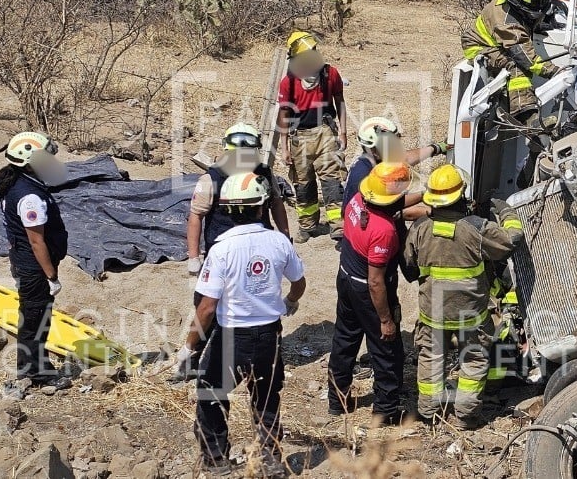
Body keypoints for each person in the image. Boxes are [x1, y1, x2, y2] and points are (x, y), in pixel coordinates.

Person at [180, 172, 306, 478]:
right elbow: (299, 282)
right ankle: (271, 459)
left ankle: (216, 461)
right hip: (270, 335)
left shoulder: (222, 249)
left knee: (210, 394)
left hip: (232, 337)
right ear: (261, 208)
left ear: (227, 210)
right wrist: (290, 301)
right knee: (266, 398)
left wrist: (189, 346)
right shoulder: (278, 242)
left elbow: (207, 308)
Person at [404, 165, 523, 428]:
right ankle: (465, 416)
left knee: (431, 358)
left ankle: (429, 413)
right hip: (470, 314)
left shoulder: (420, 227)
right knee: (473, 359)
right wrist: (505, 210)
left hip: (433, 311)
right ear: (461, 195)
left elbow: (409, 264)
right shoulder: (478, 228)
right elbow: (511, 240)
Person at [176, 123, 291, 382]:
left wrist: (285, 236)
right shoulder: (211, 179)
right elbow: (196, 216)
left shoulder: (264, 174)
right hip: (222, 253)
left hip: (257, 250)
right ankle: (193, 357)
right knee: (207, 306)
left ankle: (258, 358)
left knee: (255, 300)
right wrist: (193, 257)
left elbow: (276, 203)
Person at [327, 162, 412, 425]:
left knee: (345, 340)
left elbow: (397, 204)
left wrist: (427, 197)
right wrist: (386, 320)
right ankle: (385, 410)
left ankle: (337, 400)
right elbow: (376, 282)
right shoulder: (384, 230)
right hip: (369, 291)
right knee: (386, 349)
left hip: (347, 278)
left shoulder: (358, 200)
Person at [0, 131, 72, 389]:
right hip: (34, 267)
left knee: (32, 317)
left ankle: (29, 367)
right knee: (36, 319)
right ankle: (37, 373)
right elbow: (36, 241)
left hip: (25, 262)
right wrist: (51, 276)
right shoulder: (29, 197)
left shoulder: (16, 181)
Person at [461, 0, 562, 128]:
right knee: (515, 67)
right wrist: (555, 72)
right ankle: (527, 116)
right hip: (479, 46)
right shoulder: (508, 25)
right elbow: (528, 59)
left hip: (495, 38)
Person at [276, 30, 348, 243]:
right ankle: (307, 226)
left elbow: (340, 102)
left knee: (332, 180)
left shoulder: (330, 74)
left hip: (326, 133)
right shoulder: (289, 82)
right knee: (303, 184)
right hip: (299, 137)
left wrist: (343, 132)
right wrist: (284, 147)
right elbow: (283, 114)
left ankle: (338, 225)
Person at [343, 116, 449, 219]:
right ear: (373, 150)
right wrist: (427, 195)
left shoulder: (372, 160)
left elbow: (404, 159)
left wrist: (437, 148)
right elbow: (393, 208)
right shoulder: (365, 175)